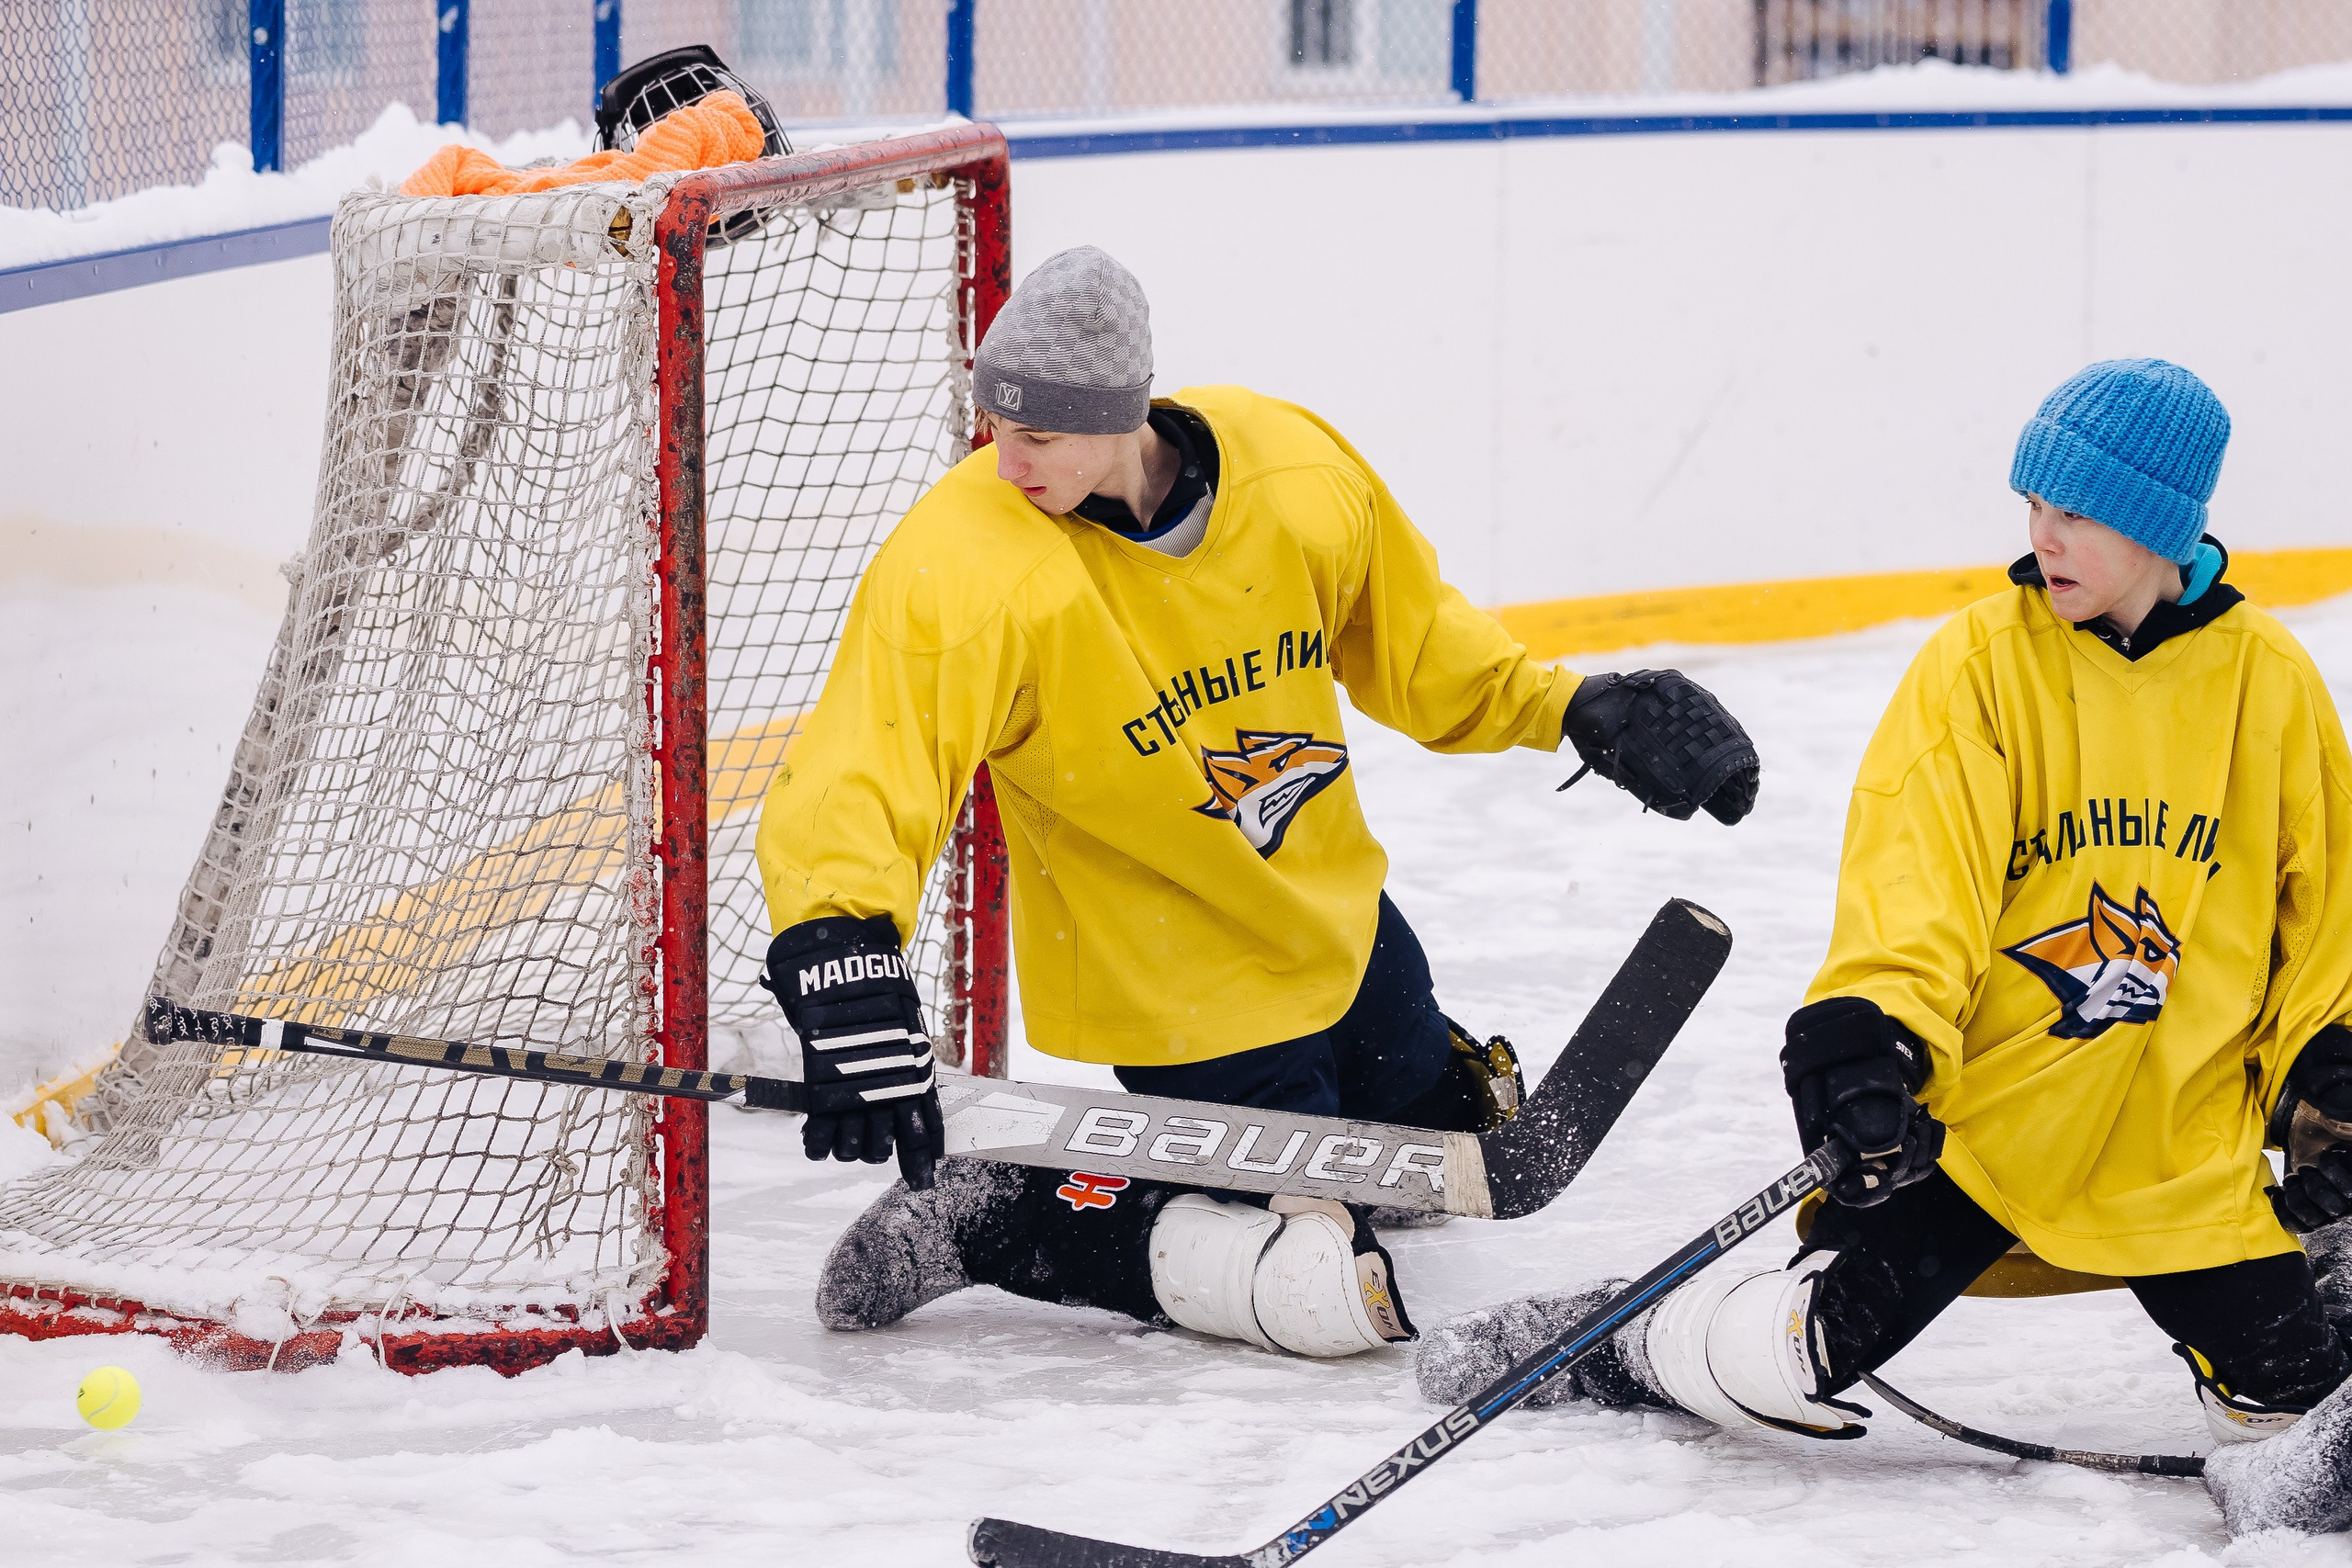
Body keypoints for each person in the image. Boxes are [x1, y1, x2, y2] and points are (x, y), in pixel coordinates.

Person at [754, 245, 1758, 1360]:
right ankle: (1000, 1213)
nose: (1006, 460)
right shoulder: (967, 561)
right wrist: (841, 945)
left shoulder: (1288, 470)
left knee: (1447, 1143)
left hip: (1335, 916)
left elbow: (1417, 645)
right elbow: (866, 764)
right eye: (994, 425)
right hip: (1172, 967)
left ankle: (1266, 1146)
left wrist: (1572, 708)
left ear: (1122, 413)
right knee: (1316, 1284)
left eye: (1038, 434)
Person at [1418, 357, 2352, 1534]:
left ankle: (2324, 1281)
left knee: (2302, 1421)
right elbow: (1913, 891)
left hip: (2177, 1145)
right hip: (1985, 1129)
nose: (2041, 535)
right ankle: (1619, 1340)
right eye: (2032, 505)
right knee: (1793, 1356)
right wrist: (1872, 1040)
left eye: (2076, 513)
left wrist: (2333, 1065)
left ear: (2160, 525)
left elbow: (2325, 916)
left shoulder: (2267, 681)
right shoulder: (1979, 666)